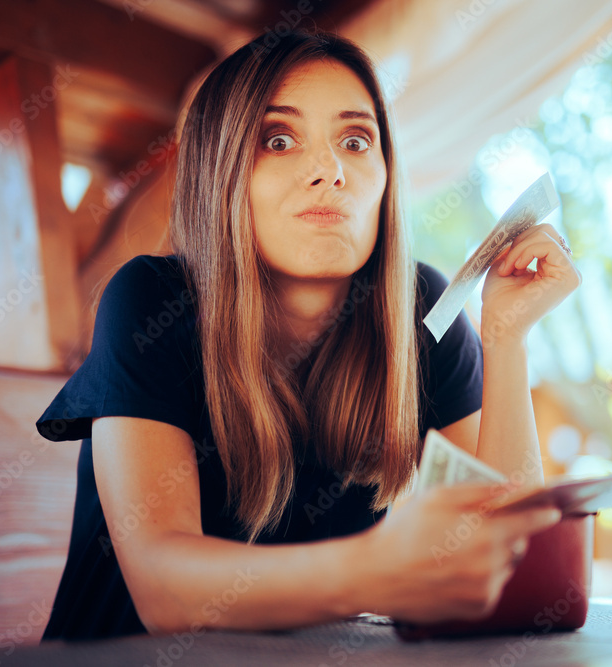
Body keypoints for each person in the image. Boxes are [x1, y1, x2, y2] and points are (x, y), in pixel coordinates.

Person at [36, 30, 582, 641]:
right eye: (278, 140)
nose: (329, 171)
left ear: (385, 175)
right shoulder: (151, 301)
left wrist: (506, 338)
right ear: (220, 174)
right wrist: (380, 569)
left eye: (355, 141)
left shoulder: (424, 309)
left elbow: (509, 554)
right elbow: (164, 591)